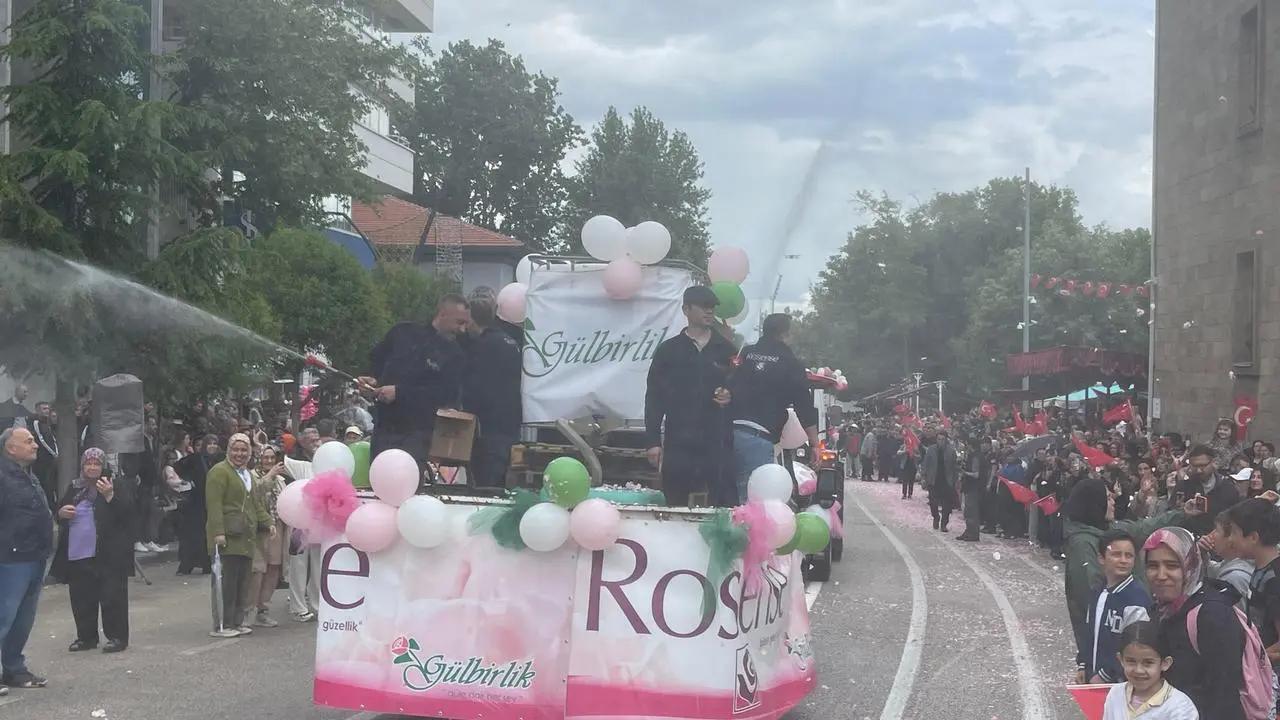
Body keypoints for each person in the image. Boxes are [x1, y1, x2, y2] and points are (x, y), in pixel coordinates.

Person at [1063, 478, 1190, 681]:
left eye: (1129, 555)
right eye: (1107, 498)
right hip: (1101, 669)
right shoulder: (1084, 547)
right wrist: (1085, 664)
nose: (1113, 500)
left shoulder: (1134, 596)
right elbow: (1089, 620)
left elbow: (1145, 526)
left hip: (1121, 676)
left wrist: (1182, 513)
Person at [1144, 525, 1272, 719]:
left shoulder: (1211, 614)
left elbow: (1223, 695)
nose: (1161, 575)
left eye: (1172, 565)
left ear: (1190, 566)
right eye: (1153, 566)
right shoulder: (1162, 610)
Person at [643, 286, 735, 507]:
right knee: (675, 500)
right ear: (686, 310)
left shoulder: (726, 350)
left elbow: (741, 389)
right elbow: (654, 397)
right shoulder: (669, 350)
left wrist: (730, 396)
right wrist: (653, 442)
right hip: (679, 441)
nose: (709, 311)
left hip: (716, 441)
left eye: (712, 307)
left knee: (719, 503)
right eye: (703, 307)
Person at [361, 294, 469, 466]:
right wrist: (372, 380)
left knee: (406, 477)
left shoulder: (455, 356)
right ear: (442, 315)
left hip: (417, 433)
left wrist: (400, 393)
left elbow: (445, 395)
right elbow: (377, 359)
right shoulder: (402, 332)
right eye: (459, 323)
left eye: (465, 324)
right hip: (383, 427)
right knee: (378, 476)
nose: (462, 330)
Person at [48, 448, 135, 654]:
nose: (93, 467)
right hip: (78, 552)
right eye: (89, 463)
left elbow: (128, 514)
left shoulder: (114, 484)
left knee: (112, 596)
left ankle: (117, 637)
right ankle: (86, 637)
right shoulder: (75, 486)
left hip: (108, 553)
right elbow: (60, 512)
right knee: (82, 597)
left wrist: (110, 496)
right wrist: (61, 514)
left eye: (97, 464)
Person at [725, 313, 817, 503]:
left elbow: (728, 384)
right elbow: (804, 405)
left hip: (726, 434)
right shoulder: (790, 363)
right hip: (758, 439)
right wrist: (814, 443)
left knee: (724, 499)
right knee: (753, 503)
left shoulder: (745, 354)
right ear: (784, 334)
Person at [206, 433, 274, 638]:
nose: (240, 454)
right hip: (227, 536)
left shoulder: (246, 475)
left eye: (244, 450)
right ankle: (222, 624)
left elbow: (255, 504)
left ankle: (237, 621)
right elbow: (214, 505)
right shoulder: (219, 472)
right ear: (228, 450)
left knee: (242, 582)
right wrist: (218, 532)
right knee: (226, 582)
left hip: (245, 536)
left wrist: (268, 521)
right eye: (235, 449)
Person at [1217, 499, 1280, 713]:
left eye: (1235, 532)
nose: (1231, 539)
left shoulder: (1274, 579)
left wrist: (1256, 659)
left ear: (1253, 537)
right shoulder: (1260, 570)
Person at [0, 427, 50, 691]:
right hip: (11, 558)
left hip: (35, 555)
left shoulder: (28, 475)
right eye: (28, 441)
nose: (35, 445)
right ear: (11, 448)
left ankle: (14, 669)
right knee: (4, 617)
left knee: (23, 620)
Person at [462, 296, 522, 490]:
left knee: (486, 485)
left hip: (488, 429)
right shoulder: (511, 343)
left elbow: (475, 387)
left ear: (472, 321)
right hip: (511, 425)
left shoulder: (482, 346)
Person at [1080, 529, 1152, 684]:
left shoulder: (1136, 599)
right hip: (1092, 678)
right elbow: (1088, 633)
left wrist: (1105, 675)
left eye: (1129, 555)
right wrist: (1083, 665)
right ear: (1101, 558)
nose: (1123, 560)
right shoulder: (1096, 593)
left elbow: (1136, 647)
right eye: (1116, 554)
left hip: (1121, 684)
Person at [1100, 621, 1200, 719]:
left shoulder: (1180, 707)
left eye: (1148, 662)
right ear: (1121, 660)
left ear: (1165, 663)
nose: (1139, 670)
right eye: (1131, 661)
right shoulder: (1116, 694)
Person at [242, 445, 287, 629]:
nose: (269, 461)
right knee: (257, 570)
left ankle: (264, 610)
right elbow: (255, 494)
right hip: (258, 529)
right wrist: (270, 475)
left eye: (272, 458)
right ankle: (249, 609)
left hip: (277, 526)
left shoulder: (281, 480)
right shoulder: (251, 476)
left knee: (274, 568)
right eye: (265, 457)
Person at [173, 435, 221, 575]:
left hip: (212, 501)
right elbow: (178, 466)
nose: (212, 446)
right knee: (193, 534)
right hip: (196, 502)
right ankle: (187, 564)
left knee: (208, 534)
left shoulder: (219, 459)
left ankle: (207, 564)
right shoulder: (196, 458)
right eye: (209, 444)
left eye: (215, 444)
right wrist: (190, 479)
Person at [921, 429, 959, 532]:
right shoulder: (931, 450)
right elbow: (925, 464)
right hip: (933, 480)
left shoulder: (951, 451)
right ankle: (936, 517)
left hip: (947, 480)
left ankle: (944, 523)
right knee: (933, 502)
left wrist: (955, 480)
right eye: (939, 439)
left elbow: (954, 467)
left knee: (947, 504)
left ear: (946, 440)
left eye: (942, 439)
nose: (940, 441)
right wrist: (923, 477)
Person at [957, 436, 993, 542]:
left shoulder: (976, 457)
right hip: (972, 487)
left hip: (974, 488)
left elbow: (976, 474)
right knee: (968, 511)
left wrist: (964, 472)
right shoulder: (975, 456)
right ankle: (969, 531)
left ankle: (973, 533)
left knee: (972, 512)